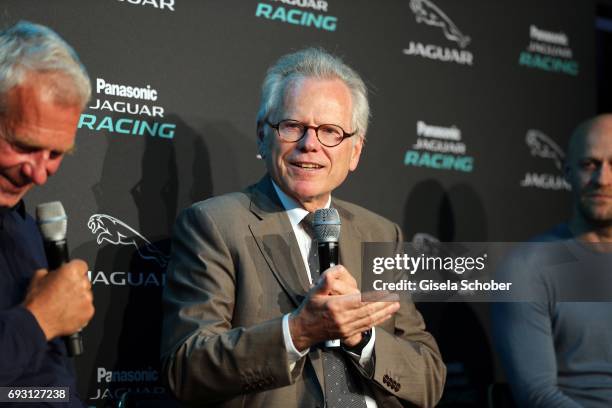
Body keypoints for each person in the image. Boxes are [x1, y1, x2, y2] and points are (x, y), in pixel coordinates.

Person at [161, 47, 445, 407]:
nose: (310, 145)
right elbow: (185, 368)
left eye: (330, 131)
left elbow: (429, 380)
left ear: (355, 151)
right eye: (293, 126)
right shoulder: (214, 225)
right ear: (263, 135)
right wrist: (298, 331)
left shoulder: (380, 234)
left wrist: (363, 337)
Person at [0, 21, 94, 406]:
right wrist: (40, 319)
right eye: (24, 146)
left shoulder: (24, 226)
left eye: (56, 154)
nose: (38, 174)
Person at [492, 114, 612, 407]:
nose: (602, 179)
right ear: (568, 172)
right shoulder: (525, 268)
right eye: (589, 165)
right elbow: (538, 396)